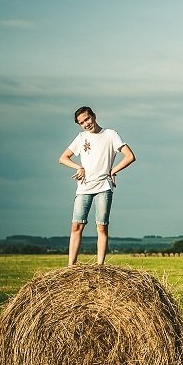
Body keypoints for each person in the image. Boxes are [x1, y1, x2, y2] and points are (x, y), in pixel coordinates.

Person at [58, 106, 136, 266]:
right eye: (81, 122)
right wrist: (78, 167)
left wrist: (113, 170)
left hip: (104, 187)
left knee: (101, 227)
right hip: (84, 187)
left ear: (93, 116)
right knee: (76, 226)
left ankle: (100, 266)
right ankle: (70, 267)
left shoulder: (110, 134)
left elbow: (130, 156)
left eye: (87, 119)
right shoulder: (80, 138)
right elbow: (63, 158)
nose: (86, 124)